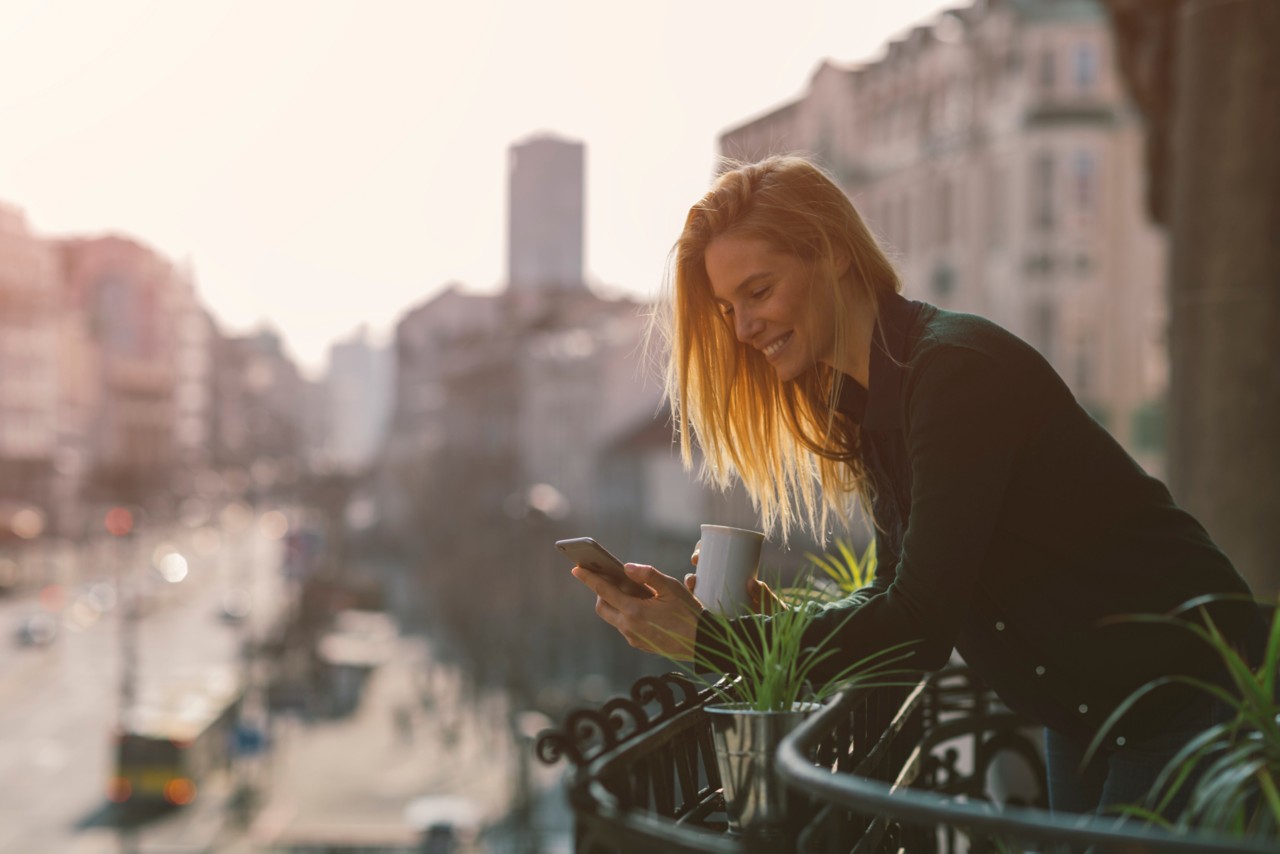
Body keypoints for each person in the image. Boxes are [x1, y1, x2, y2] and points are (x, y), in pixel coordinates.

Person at [570, 154, 1265, 819]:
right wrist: (767, 626)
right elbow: (898, 591)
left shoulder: (952, 374)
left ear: (833, 252)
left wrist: (717, 644)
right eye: (727, 309)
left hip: (1186, 696)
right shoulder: (874, 401)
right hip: (1092, 712)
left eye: (758, 291)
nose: (744, 328)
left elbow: (921, 626)